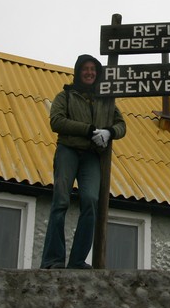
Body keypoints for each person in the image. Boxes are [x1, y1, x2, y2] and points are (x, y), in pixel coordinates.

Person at [41, 54, 126, 269]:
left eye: (93, 69)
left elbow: (121, 124)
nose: (89, 73)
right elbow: (56, 121)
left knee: (90, 201)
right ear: (78, 72)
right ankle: (53, 260)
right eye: (85, 69)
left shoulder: (105, 99)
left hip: (91, 156)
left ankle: (78, 261)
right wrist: (88, 130)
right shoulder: (66, 95)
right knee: (61, 201)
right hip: (68, 150)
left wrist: (109, 132)